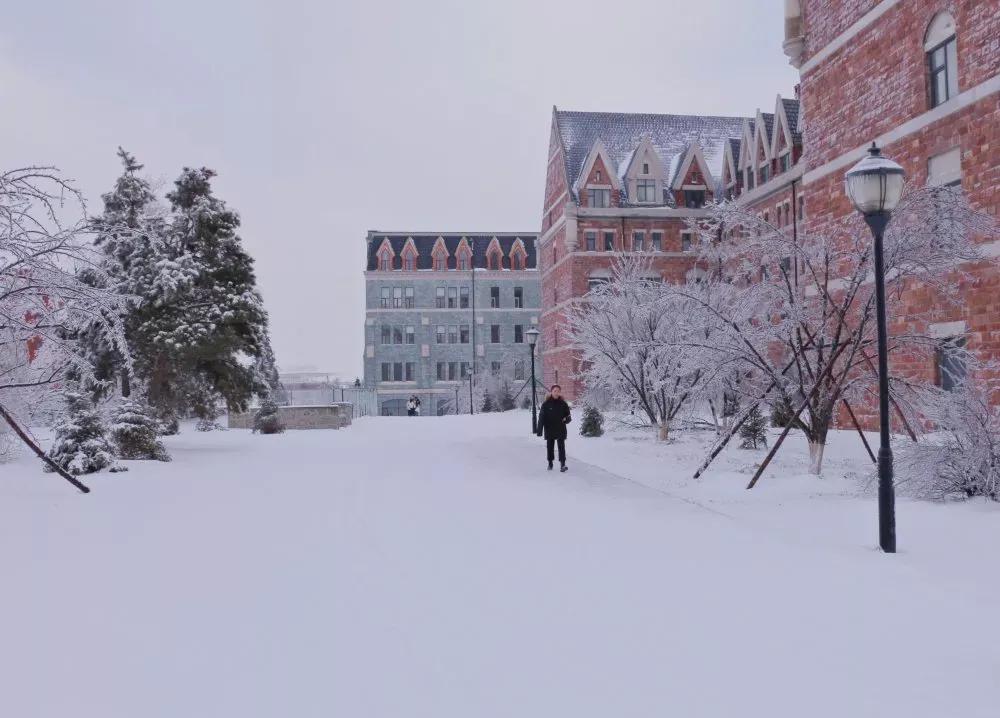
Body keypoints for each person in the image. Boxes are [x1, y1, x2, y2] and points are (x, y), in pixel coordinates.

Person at [536, 384, 572, 472]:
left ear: (560, 393)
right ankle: (550, 463)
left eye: (558, 391)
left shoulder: (563, 404)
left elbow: (569, 417)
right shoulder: (546, 404)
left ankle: (563, 464)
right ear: (551, 392)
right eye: (555, 391)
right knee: (550, 447)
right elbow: (541, 417)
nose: (556, 393)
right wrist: (539, 430)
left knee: (561, 447)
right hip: (549, 428)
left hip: (560, 428)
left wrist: (566, 420)